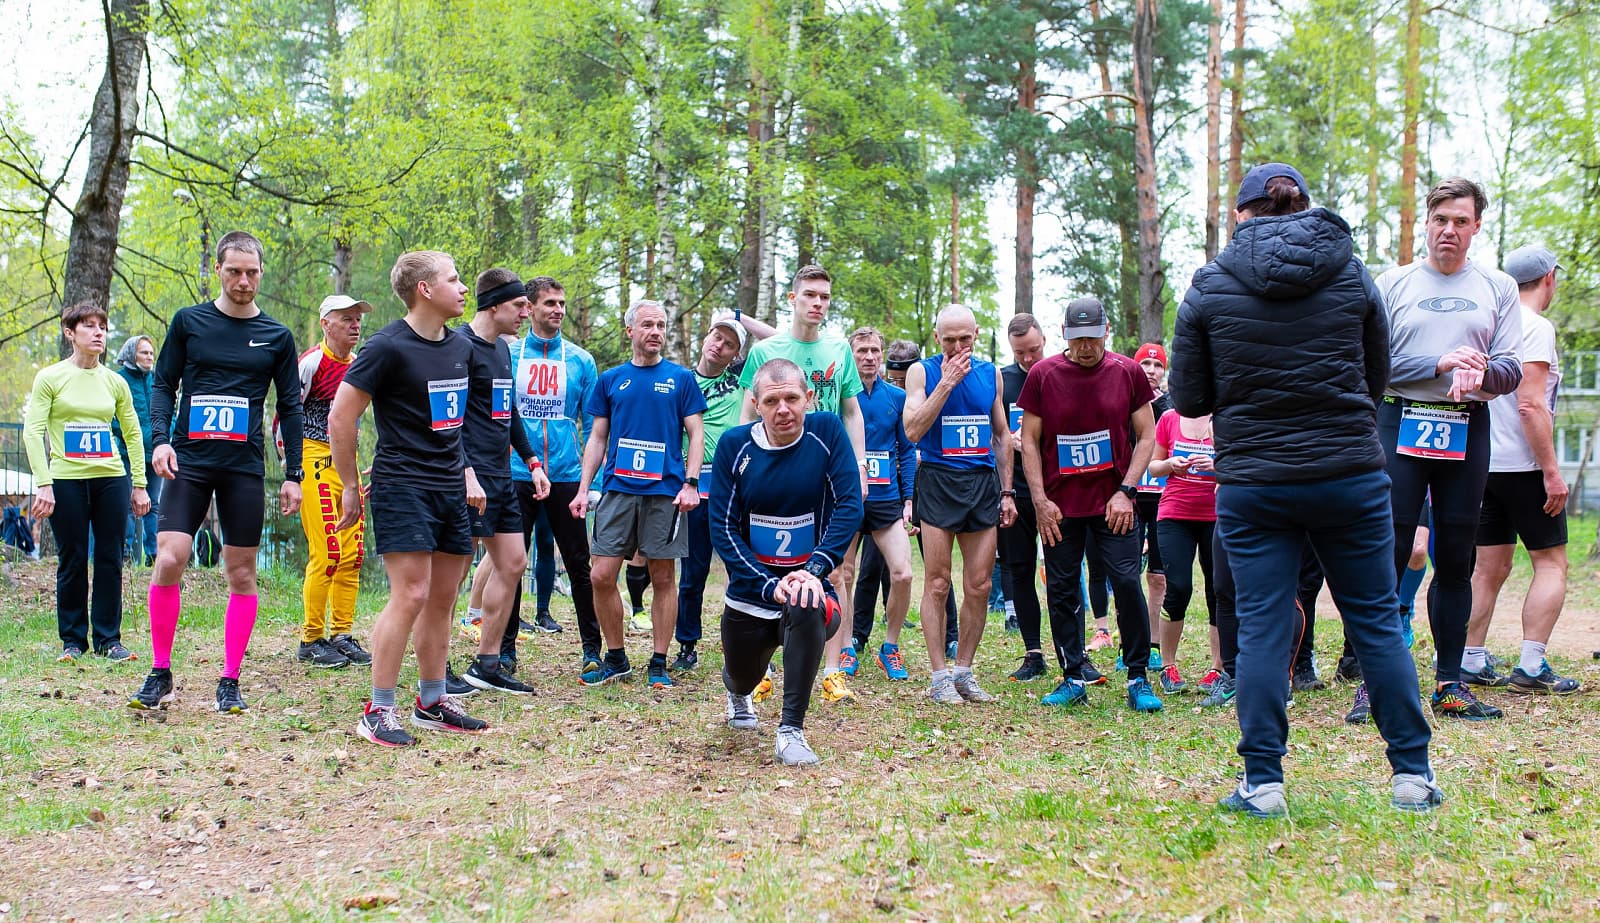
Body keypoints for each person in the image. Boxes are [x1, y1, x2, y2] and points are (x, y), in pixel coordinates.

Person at [1171, 161, 1439, 816]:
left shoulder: (1209, 284)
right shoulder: (1351, 272)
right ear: (1304, 206)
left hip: (1255, 481)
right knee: (1375, 618)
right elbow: (1376, 376)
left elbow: (1190, 398)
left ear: (1241, 214)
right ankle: (1412, 776)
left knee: (1263, 624)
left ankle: (1263, 783)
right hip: (1348, 473)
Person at [130, 231, 304, 715]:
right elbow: (163, 384)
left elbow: (290, 406)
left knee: (241, 571)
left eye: (251, 272)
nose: (243, 281)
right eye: (234, 272)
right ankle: (160, 672)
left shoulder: (277, 336)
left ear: (261, 273)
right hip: (189, 459)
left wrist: (294, 473)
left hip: (242, 466)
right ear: (220, 272)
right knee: (170, 558)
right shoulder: (190, 322)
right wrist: (160, 439)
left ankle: (230, 679)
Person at [1368, 176, 1522, 722]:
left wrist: (1483, 372)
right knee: (1386, 554)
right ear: (1426, 223)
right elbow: (1371, 364)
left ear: (1476, 226)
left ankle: (1450, 683)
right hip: (1400, 421)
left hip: (1466, 424)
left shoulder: (1499, 286)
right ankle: (1374, 683)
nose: (1448, 230)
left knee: (1457, 557)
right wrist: (1439, 363)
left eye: (1460, 221)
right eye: (1440, 220)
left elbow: (1511, 369)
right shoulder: (1393, 283)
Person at [334, 250, 488, 747]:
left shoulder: (461, 346)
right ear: (425, 289)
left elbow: (455, 423)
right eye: (453, 279)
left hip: (449, 487)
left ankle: (432, 700)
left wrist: (468, 473)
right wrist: (350, 486)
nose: (462, 288)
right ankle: (377, 709)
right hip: (402, 484)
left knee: (443, 596)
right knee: (412, 594)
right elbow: (342, 417)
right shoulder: (386, 346)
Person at [711, 359, 861, 764]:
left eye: (792, 398)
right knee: (741, 676)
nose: (783, 410)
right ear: (755, 404)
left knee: (807, 600)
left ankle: (791, 731)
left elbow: (849, 504)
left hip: (809, 583)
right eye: (772, 401)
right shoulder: (734, 446)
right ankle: (738, 692)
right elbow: (723, 528)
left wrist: (814, 570)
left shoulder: (827, 432)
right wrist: (767, 583)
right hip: (751, 592)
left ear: (808, 398)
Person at [1017, 299, 1161, 712]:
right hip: (1060, 507)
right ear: (1064, 334)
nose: (1085, 347)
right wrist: (1040, 500)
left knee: (1127, 582)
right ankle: (1073, 676)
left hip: (1114, 505)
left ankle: (1137, 676)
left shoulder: (1127, 372)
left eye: (1093, 339)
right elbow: (1029, 441)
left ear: (1106, 331)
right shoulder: (1043, 375)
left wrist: (1127, 491)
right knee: (1062, 589)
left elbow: (1146, 435)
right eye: (1078, 339)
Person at [739, 265, 867, 703]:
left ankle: (832, 670)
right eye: (810, 295)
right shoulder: (767, 350)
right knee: (769, 564)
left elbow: (852, 412)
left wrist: (860, 467)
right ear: (793, 299)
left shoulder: (839, 349)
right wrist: (743, 467)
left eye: (824, 297)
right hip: (775, 473)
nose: (818, 303)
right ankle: (764, 669)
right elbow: (747, 413)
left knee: (837, 568)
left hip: (827, 473)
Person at [569, 300, 706, 689]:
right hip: (618, 490)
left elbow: (696, 432)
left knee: (662, 576)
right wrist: (584, 489)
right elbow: (597, 437)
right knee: (601, 575)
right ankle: (616, 657)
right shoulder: (611, 379)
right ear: (630, 330)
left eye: (661, 325)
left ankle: (659, 662)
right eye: (648, 325)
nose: (656, 332)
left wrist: (691, 483)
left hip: (665, 492)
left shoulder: (680, 379)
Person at [1465, 245, 1581, 695]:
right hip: (1525, 466)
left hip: (1483, 464)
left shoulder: (1490, 322)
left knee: (1488, 568)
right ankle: (1531, 665)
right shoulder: (1535, 326)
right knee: (1551, 563)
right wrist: (1551, 470)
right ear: (1549, 278)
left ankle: (1470, 658)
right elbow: (1531, 405)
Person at [25, 302, 150, 663]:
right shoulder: (50, 378)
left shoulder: (114, 381)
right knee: (73, 558)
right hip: (66, 480)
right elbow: (33, 432)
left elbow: (132, 432)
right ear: (70, 333)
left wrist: (139, 483)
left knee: (110, 557)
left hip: (110, 478)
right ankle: (73, 641)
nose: (98, 333)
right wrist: (43, 483)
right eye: (89, 326)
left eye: (102, 327)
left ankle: (109, 640)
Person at [903, 304, 1016, 704]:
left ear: (976, 334)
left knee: (980, 585)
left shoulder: (991, 374)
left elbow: (1001, 436)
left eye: (964, 339)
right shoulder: (922, 372)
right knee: (937, 582)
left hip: (982, 484)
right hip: (938, 480)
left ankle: (964, 671)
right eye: (949, 340)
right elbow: (913, 430)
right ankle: (939, 677)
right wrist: (946, 383)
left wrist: (1007, 492)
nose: (956, 347)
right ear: (937, 338)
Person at [454, 270, 548, 695]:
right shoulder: (458, 346)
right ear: (493, 305)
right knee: (452, 575)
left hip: (501, 475)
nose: (526, 313)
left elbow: (507, 411)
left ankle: (487, 663)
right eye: (519, 305)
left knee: (513, 563)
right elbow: (447, 419)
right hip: (467, 479)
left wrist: (531, 461)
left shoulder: (504, 350)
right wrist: (464, 471)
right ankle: (434, 667)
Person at [504, 276, 602, 671]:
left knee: (579, 564)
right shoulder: (508, 354)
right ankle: (504, 651)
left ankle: (592, 651)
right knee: (512, 565)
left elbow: (595, 426)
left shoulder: (581, 360)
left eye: (562, 303)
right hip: (517, 472)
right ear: (529, 308)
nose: (559, 310)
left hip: (566, 474)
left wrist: (592, 484)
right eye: (550, 303)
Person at [853, 339, 958, 659]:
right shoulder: (851, 396)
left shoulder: (917, 392)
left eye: (875, 351)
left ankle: (950, 635)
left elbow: (917, 442)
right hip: (867, 491)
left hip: (915, 489)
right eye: (894, 378)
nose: (899, 384)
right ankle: (856, 637)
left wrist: (909, 493)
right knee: (867, 567)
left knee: (936, 565)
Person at [294, 294, 375, 670]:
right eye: (346, 318)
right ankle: (311, 638)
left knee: (352, 554)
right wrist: (291, 471)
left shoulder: (359, 366)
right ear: (326, 323)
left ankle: (342, 634)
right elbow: (286, 417)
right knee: (327, 552)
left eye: (357, 319)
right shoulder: (311, 363)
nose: (355, 325)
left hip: (348, 465)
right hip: (313, 460)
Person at [834, 327, 916, 681]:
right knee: (843, 575)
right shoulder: (840, 396)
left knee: (903, 573)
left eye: (874, 350)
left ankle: (890, 647)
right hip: (847, 498)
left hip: (886, 499)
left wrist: (909, 499)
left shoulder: (896, 398)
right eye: (861, 351)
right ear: (850, 355)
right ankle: (846, 646)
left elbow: (908, 451)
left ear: (882, 355)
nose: (869, 357)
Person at [673, 313, 749, 672]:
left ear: (736, 356)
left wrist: (741, 318)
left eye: (729, 344)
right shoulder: (680, 381)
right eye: (717, 337)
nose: (720, 346)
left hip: (733, 490)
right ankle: (687, 645)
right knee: (692, 575)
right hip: (693, 489)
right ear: (705, 338)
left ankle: (749, 643)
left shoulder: (742, 383)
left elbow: (779, 341)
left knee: (743, 571)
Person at [1145, 407, 1218, 694]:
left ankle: (1218, 669)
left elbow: (1241, 463)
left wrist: (1215, 465)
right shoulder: (1170, 418)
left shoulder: (1223, 416)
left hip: (1217, 514)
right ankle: (1168, 666)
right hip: (1175, 514)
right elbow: (1154, 466)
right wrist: (1170, 464)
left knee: (1218, 590)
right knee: (1178, 587)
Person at [999, 314, 1053, 682]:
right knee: (1020, 570)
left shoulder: (1058, 373)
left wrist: (1035, 443)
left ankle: (1074, 650)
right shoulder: (1003, 380)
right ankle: (1033, 652)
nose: (1029, 358)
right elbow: (995, 429)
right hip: (1014, 489)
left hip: (1055, 490)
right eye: (1020, 352)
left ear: (1044, 339)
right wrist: (1010, 441)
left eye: (1033, 349)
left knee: (1062, 574)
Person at [1128, 342, 1171, 661]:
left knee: (1158, 576)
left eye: (1157, 366)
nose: (1151, 371)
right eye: (1145, 364)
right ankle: (1129, 644)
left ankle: (1154, 645)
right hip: (1129, 498)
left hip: (1162, 499)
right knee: (1126, 576)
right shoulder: (1124, 401)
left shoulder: (1171, 407)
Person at [113, 334, 159, 566]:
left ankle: (154, 555)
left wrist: (163, 435)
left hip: (154, 453)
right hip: (127, 454)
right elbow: (111, 416)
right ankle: (125, 554)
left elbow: (169, 411)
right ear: (131, 354)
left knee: (154, 504)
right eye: (144, 352)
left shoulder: (157, 380)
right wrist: (129, 436)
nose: (149, 357)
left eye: (151, 353)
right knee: (127, 504)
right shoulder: (118, 380)